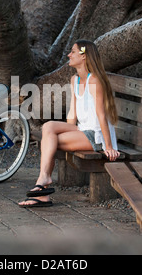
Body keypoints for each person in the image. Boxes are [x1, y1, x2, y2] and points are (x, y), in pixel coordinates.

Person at [19, 40, 120, 208]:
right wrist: (64, 129)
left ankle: (42, 187)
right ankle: (43, 182)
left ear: (83, 56)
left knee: (50, 141)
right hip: (82, 129)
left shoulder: (94, 81)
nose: (69, 55)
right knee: (48, 128)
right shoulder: (74, 79)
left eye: (72, 52)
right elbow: (73, 112)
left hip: (96, 136)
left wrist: (108, 146)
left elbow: (102, 115)